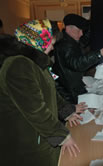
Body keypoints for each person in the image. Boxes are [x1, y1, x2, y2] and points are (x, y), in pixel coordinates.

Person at [0, 19, 87, 165]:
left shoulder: (36, 62)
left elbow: (51, 93)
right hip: (26, 144)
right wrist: (62, 136)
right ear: (37, 41)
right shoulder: (19, 65)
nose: (52, 47)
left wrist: (68, 111)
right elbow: (35, 109)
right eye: (50, 42)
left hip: (40, 135)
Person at [52, 14, 103, 104]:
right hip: (70, 91)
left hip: (71, 86)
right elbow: (77, 64)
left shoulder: (69, 40)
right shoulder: (66, 45)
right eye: (79, 30)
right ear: (69, 28)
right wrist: (99, 54)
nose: (81, 33)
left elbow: (83, 42)